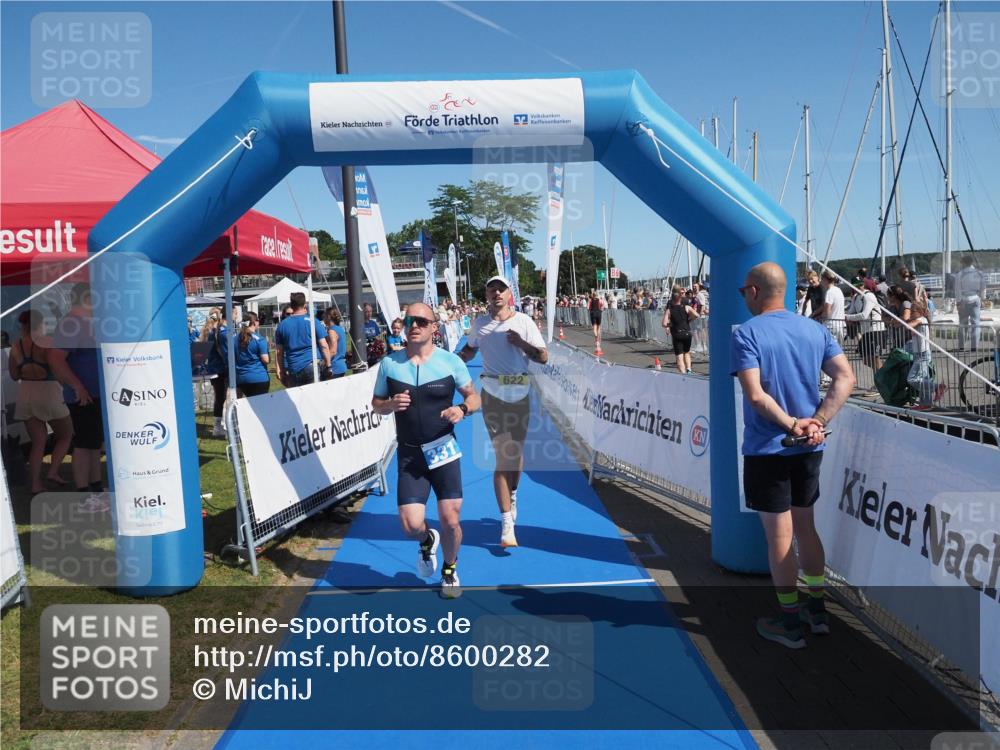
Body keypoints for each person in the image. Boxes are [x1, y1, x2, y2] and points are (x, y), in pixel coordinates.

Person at [731, 262, 855, 649]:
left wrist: (791, 425)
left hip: (771, 448)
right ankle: (817, 612)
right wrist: (815, 421)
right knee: (806, 527)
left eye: (742, 292)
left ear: (753, 291)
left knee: (780, 537)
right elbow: (846, 378)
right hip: (809, 447)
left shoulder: (747, 333)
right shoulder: (814, 329)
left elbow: (755, 395)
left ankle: (789, 624)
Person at [371, 303, 480, 598]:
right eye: (410, 320)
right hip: (409, 455)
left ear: (435, 327)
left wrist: (462, 408)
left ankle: (449, 569)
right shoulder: (390, 364)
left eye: (421, 320)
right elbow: (376, 404)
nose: (414, 325)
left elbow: (474, 398)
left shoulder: (450, 362)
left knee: (452, 519)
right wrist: (389, 405)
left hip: (443, 450)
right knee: (410, 525)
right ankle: (426, 540)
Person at [459, 276, 548, 548]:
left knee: (515, 457)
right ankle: (506, 523)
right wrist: (447, 363)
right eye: (491, 289)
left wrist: (522, 344)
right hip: (493, 393)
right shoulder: (480, 324)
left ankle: (514, 494)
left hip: (519, 390)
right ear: (486, 294)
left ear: (510, 294)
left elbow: (543, 357)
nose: (496, 293)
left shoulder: (523, 322)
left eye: (501, 289)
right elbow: (469, 351)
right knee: (503, 457)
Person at [49, 282, 108, 510]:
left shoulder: (84, 323)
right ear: (87, 300)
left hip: (93, 394)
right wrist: (78, 387)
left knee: (93, 444)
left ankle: (95, 488)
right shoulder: (71, 324)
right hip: (82, 395)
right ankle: (84, 495)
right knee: (84, 444)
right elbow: (55, 359)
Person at [8, 310, 73, 494]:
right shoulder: (49, 344)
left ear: (22, 325)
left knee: (38, 442)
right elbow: (59, 370)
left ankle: (36, 485)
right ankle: (52, 472)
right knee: (66, 435)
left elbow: (13, 375)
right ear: (42, 323)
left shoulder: (15, 346)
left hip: (26, 394)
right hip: (50, 392)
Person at [275, 292, 331, 388]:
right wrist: (328, 365)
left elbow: (279, 352)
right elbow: (324, 345)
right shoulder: (313, 321)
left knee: (298, 400)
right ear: (305, 305)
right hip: (311, 365)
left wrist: (281, 370)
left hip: (293, 367)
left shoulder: (282, 325)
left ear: (292, 305)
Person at [901, 291, 945, 409]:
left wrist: (905, 321)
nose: (911, 313)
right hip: (919, 353)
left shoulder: (921, 319)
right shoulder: (918, 320)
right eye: (911, 311)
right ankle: (925, 403)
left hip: (923, 354)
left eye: (913, 311)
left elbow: (908, 326)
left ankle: (936, 387)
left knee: (912, 379)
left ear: (920, 311)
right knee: (923, 379)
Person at [844, 280, 886, 373]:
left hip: (876, 330)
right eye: (856, 285)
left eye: (860, 285)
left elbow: (864, 315)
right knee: (866, 360)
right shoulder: (855, 297)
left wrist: (847, 317)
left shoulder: (869, 296)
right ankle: (882, 375)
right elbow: (851, 312)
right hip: (865, 331)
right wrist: (847, 316)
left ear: (863, 285)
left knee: (875, 358)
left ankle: (880, 382)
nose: (859, 287)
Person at [200, 308, 229, 437]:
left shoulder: (206, 332)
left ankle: (218, 425)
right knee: (223, 397)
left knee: (220, 397)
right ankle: (220, 426)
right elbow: (221, 351)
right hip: (219, 369)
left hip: (213, 368)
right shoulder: (215, 333)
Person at [661, 284, 699, 374]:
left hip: (677, 333)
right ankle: (689, 369)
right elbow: (697, 315)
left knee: (679, 356)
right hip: (687, 332)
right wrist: (688, 320)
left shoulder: (669, 309)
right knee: (687, 352)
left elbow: (664, 324)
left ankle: (683, 374)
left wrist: (671, 325)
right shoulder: (686, 306)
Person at [234, 312, 270, 398]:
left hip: (241, 379)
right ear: (254, 322)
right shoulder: (259, 339)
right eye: (258, 320)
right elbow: (266, 360)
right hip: (258, 378)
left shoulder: (235, 339)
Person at [955, 255, 986, 352]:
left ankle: (961, 346)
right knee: (976, 324)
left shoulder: (960, 274)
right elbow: (983, 287)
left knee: (962, 324)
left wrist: (958, 302)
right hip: (975, 298)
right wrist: (983, 298)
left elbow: (957, 290)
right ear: (972, 262)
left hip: (963, 299)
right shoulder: (979, 273)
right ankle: (974, 347)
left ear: (963, 263)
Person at [819, 270, 846, 344]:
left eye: (822, 279)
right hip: (840, 325)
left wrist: (821, 317)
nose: (821, 281)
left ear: (826, 280)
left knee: (830, 350)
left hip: (831, 326)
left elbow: (828, 310)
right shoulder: (839, 290)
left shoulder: (829, 292)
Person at [324, 309, 349, 378]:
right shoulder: (340, 329)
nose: (323, 318)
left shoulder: (332, 331)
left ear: (328, 317)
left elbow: (333, 351)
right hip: (341, 366)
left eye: (325, 315)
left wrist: (323, 361)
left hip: (335, 368)